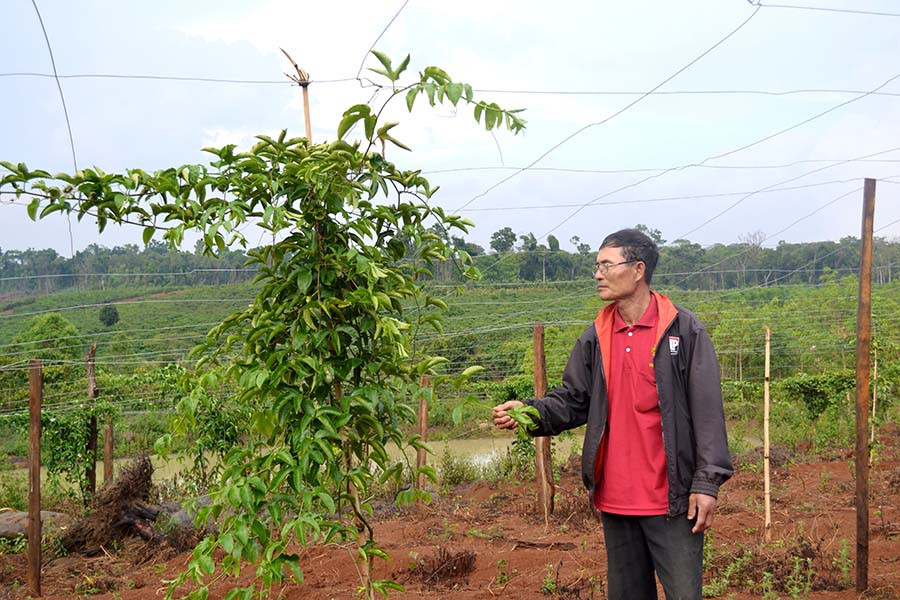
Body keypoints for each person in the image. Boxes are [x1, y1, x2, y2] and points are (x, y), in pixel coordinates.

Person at [493, 228, 733, 600]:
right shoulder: (597, 335)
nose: (598, 274)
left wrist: (706, 483)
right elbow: (574, 400)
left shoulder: (683, 331)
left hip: (672, 499)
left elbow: (707, 412)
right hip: (616, 500)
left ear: (638, 269)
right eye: (596, 265)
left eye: (607, 265)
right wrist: (530, 413)